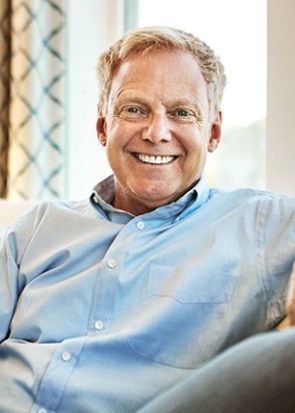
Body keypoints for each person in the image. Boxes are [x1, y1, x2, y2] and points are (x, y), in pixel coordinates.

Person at [0, 26, 295, 413]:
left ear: (214, 132)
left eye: (181, 113)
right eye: (134, 109)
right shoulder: (39, 226)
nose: (156, 133)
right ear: (104, 127)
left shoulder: (262, 224)